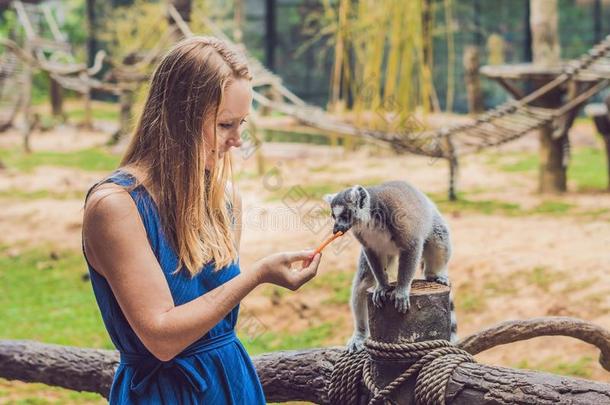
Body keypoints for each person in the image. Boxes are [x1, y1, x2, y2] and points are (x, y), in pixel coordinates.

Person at [81, 36, 322, 404]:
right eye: (226, 124)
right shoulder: (115, 207)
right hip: (163, 395)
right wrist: (257, 276)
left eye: (242, 123)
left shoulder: (223, 198)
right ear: (179, 120)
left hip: (232, 385)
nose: (238, 140)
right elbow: (161, 339)